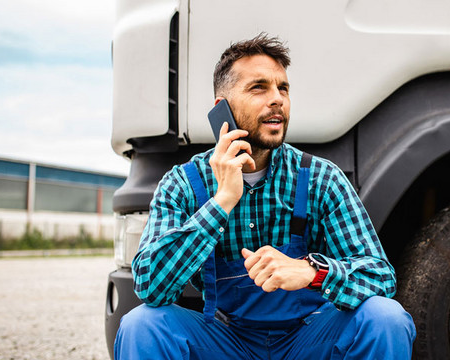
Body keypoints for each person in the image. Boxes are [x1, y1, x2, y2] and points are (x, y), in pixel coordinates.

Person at [114, 33, 416, 359]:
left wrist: (313, 272)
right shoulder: (184, 184)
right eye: (259, 88)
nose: (277, 99)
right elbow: (150, 286)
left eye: (283, 88)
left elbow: (380, 277)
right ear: (222, 109)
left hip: (309, 339)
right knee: (142, 325)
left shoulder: (320, 178)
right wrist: (222, 202)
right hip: (226, 342)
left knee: (385, 317)